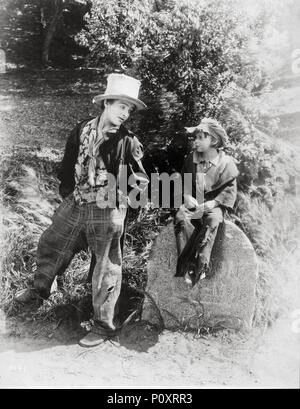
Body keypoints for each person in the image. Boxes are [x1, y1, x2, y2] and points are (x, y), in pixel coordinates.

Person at [15, 73, 149, 347]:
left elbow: (140, 183)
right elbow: (67, 165)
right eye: (121, 106)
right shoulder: (81, 130)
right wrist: (69, 196)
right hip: (76, 201)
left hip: (106, 208)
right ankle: (38, 291)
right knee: (52, 243)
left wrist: (118, 202)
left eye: (129, 109)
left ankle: (103, 325)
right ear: (106, 103)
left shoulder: (128, 142)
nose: (125, 113)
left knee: (106, 267)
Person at [174, 118, 239, 285]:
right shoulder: (191, 159)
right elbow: (184, 181)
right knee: (182, 217)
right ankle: (186, 264)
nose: (195, 142)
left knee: (212, 220)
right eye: (194, 138)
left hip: (213, 205)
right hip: (195, 202)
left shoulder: (226, 164)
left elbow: (229, 190)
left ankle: (201, 265)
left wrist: (214, 203)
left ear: (214, 141)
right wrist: (187, 196)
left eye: (200, 138)